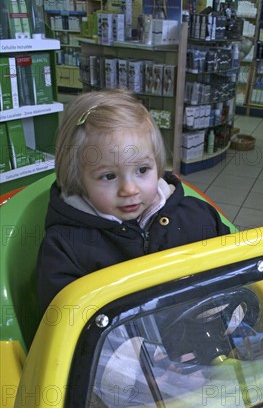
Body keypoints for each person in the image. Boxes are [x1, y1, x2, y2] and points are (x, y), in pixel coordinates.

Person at [37, 89, 231, 314]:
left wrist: (228, 309)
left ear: (158, 166)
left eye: (142, 170)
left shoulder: (197, 217)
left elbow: (234, 268)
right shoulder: (65, 248)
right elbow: (63, 323)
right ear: (76, 178)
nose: (129, 189)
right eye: (108, 176)